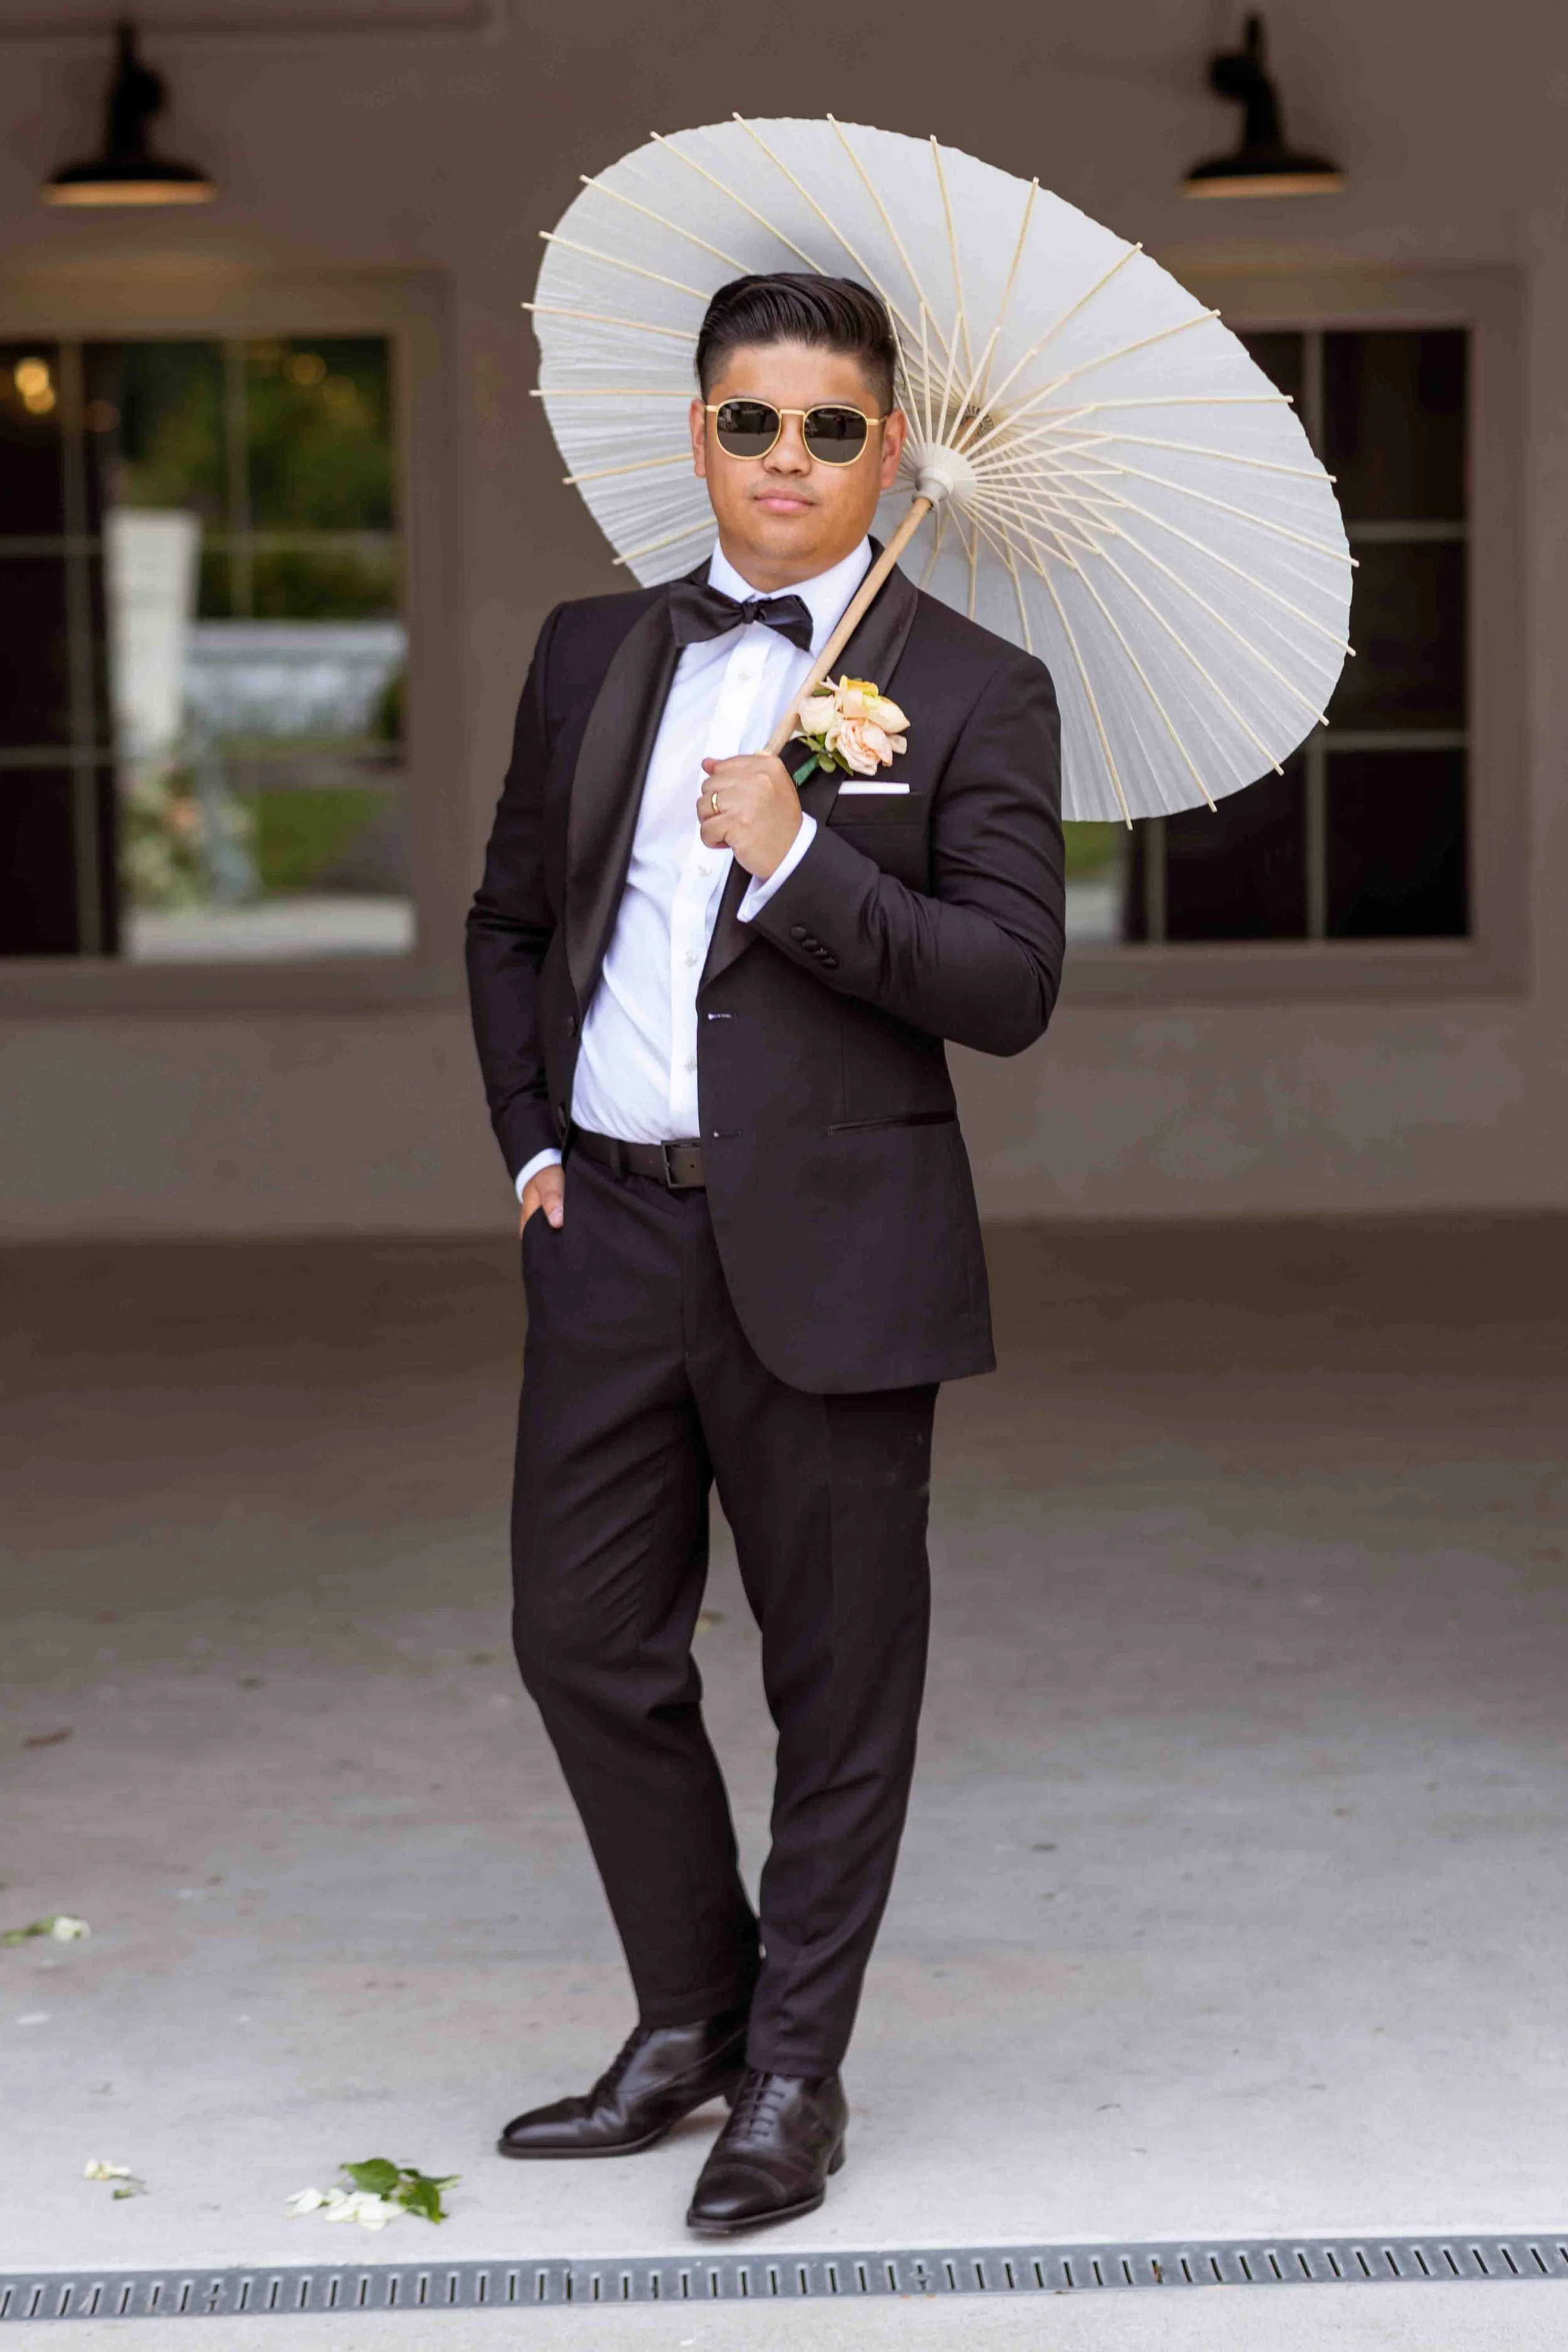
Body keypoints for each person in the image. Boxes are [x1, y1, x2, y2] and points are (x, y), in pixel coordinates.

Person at [465, 272, 1064, 2235]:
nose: (788, 458)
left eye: (828, 426)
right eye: (751, 420)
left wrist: (800, 863)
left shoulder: (974, 685)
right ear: (699, 434)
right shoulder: (588, 651)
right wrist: (537, 1144)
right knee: (581, 1640)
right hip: (613, 1229)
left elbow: (1003, 984)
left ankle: (790, 2074)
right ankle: (690, 2012)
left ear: (886, 448)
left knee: (838, 1680)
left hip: (838, 1248)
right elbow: (506, 922)